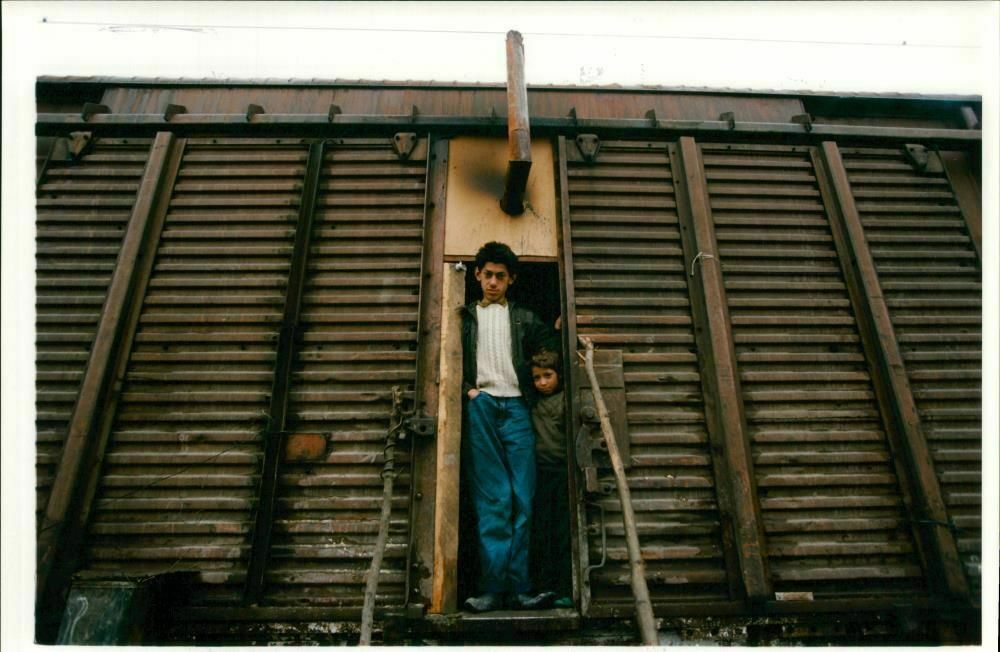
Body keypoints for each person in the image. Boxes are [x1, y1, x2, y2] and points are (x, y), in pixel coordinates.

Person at [461, 241, 557, 612]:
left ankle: (520, 587)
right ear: (477, 275)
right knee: (493, 500)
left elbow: (550, 349)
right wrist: (468, 390)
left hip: (517, 408)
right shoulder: (465, 317)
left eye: (501, 276)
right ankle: (492, 587)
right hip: (481, 405)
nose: (493, 282)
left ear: (512, 280)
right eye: (488, 275)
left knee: (522, 497)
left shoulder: (525, 318)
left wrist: (560, 329)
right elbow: (446, 356)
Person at [528, 350, 573, 609]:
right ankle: (544, 587)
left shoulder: (566, 400)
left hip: (563, 472)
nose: (542, 382)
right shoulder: (532, 401)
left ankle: (565, 589)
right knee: (542, 530)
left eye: (548, 376)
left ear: (559, 375)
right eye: (537, 378)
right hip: (540, 473)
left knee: (563, 532)